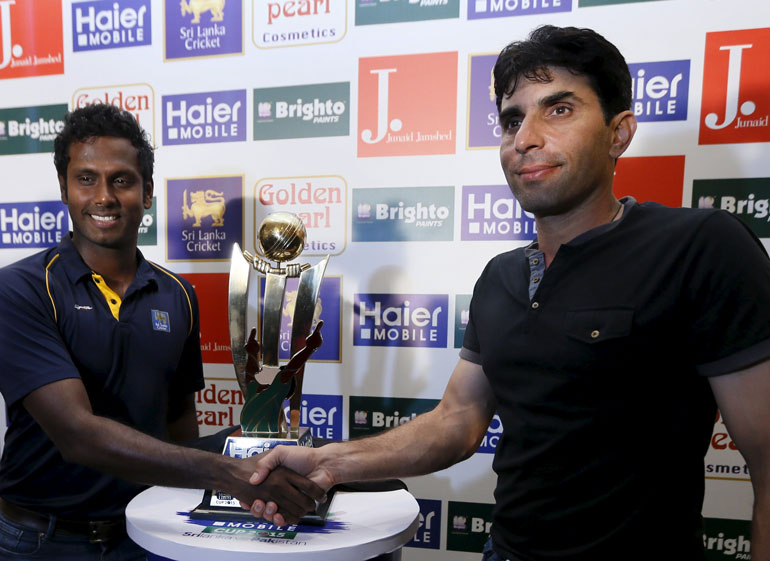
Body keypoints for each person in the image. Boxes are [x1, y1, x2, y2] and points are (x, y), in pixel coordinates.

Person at [246, 25, 770, 560]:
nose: (526, 139)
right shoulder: (501, 276)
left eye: (559, 110)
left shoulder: (701, 247)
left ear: (619, 133)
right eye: (513, 119)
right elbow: (457, 421)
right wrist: (330, 463)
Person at [0, 104, 324, 560]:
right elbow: (77, 434)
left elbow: (178, 428)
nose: (104, 196)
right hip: (41, 540)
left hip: (145, 532)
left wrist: (264, 449)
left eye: (122, 180)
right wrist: (227, 472)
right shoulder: (20, 289)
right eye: (86, 178)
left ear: (147, 192)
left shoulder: (178, 295)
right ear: (65, 189)